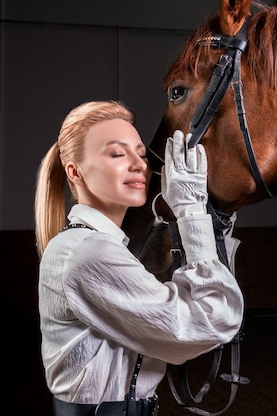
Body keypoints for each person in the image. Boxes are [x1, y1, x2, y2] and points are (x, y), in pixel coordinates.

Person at [34, 100, 244, 416]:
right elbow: (212, 321)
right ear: (75, 172)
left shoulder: (98, 246)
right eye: (118, 154)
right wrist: (191, 214)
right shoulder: (89, 253)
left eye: (142, 154)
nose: (139, 165)